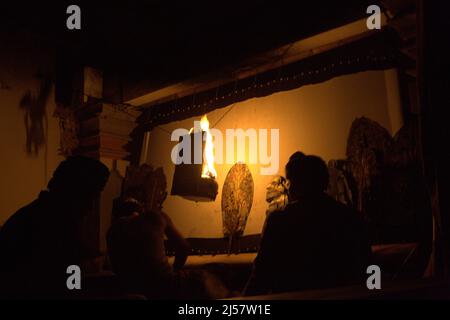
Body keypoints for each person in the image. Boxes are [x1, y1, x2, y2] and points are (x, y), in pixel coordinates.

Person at [244, 153, 372, 296]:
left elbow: (261, 276)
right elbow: (369, 268)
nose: (288, 187)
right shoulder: (352, 218)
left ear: (295, 184)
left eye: (289, 181)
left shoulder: (279, 221)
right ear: (325, 182)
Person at [0, 156, 110, 299]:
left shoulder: (46, 214)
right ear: (73, 193)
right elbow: (65, 282)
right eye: (89, 197)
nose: (90, 207)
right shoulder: (49, 223)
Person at [107, 197, 228, 299]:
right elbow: (184, 247)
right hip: (166, 285)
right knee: (206, 278)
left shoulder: (111, 232)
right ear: (141, 210)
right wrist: (173, 271)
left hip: (133, 289)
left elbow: (116, 267)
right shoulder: (154, 216)